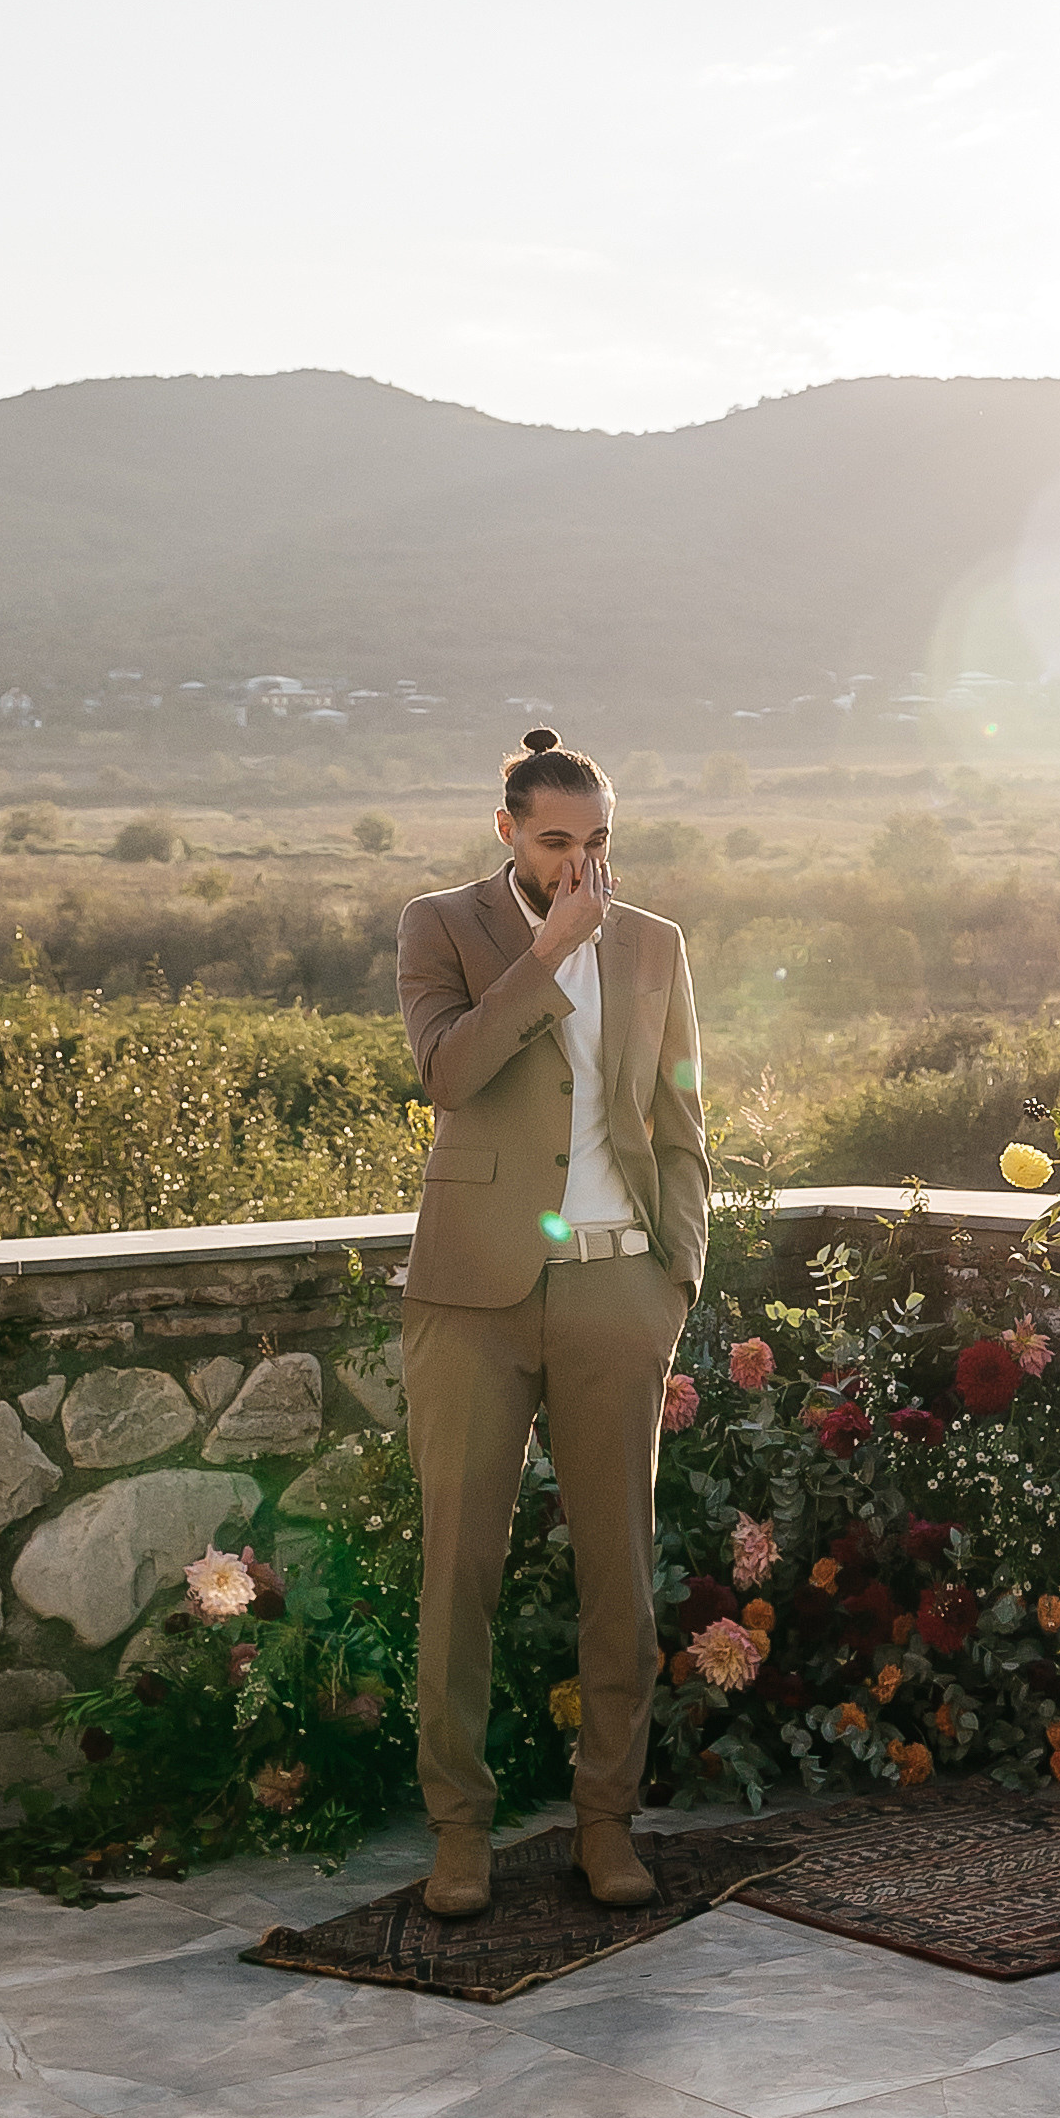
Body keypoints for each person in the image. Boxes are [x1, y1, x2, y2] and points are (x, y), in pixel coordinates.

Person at [395, 728, 709, 1916]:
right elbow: (448, 1071)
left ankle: (604, 1824)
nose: (580, 863)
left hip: (617, 1290)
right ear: (508, 832)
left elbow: (680, 1118)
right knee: (457, 1574)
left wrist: (674, 1279)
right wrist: (548, 952)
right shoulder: (440, 925)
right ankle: (459, 1835)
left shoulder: (655, 945)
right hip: (470, 1299)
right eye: (556, 840)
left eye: (599, 841)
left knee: (619, 1576)